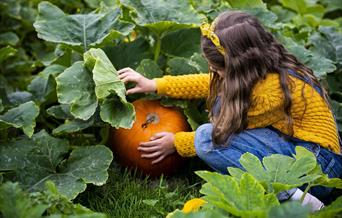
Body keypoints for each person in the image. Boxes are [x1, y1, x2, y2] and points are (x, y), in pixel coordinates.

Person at [118, 11, 342, 211]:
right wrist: (156, 84)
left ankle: (297, 199)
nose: (213, 72)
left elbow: (223, 134)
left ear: (238, 67)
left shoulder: (268, 95)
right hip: (304, 149)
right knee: (219, 100)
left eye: (217, 69)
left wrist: (177, 143)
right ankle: (277, 190)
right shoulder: (263, 67)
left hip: (318, 170)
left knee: (206, 138)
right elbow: (210, 83)